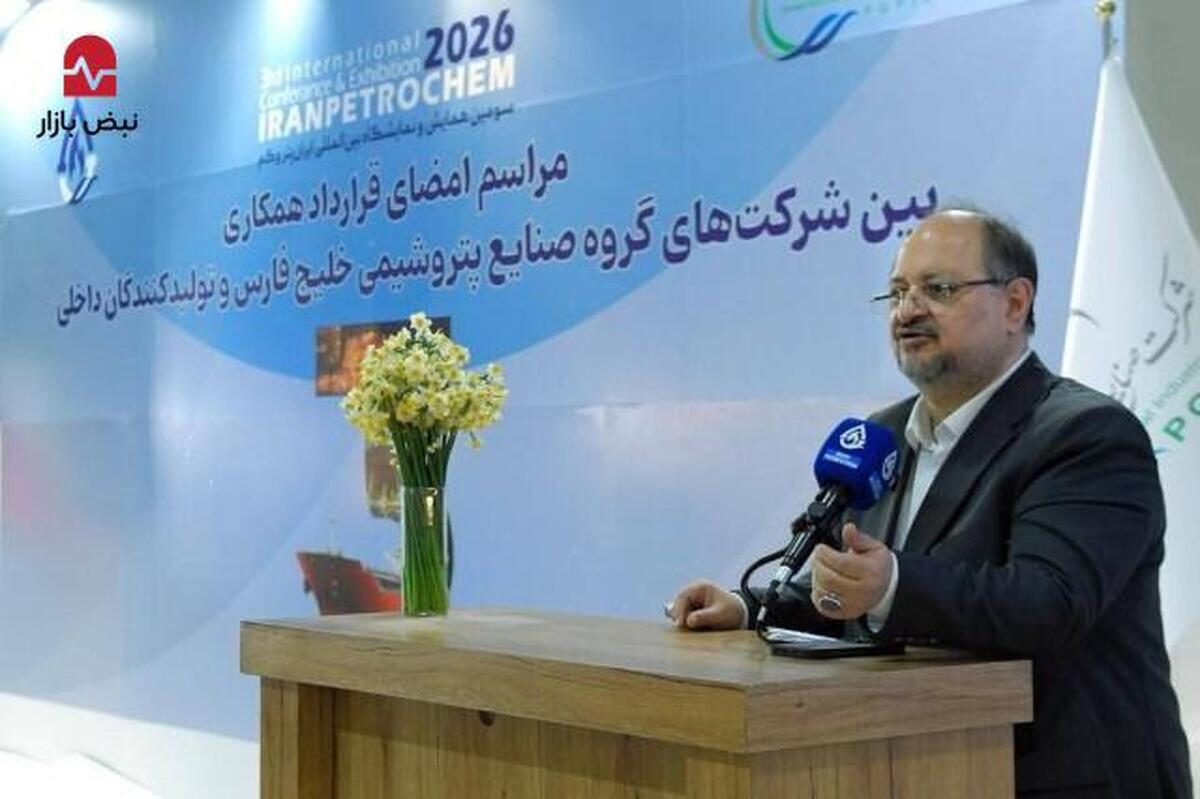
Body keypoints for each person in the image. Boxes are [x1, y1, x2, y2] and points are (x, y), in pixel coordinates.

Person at [670, 208, 1192, 798]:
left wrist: (891, 585)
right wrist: (749, 606)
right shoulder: (881, 436)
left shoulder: (1086, 434)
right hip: (924, 769)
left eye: (938, 289)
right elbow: (854, 587)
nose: (907, 310)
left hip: (1069, 778)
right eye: (897, 292)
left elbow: (1049, 602)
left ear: (1015, 304)